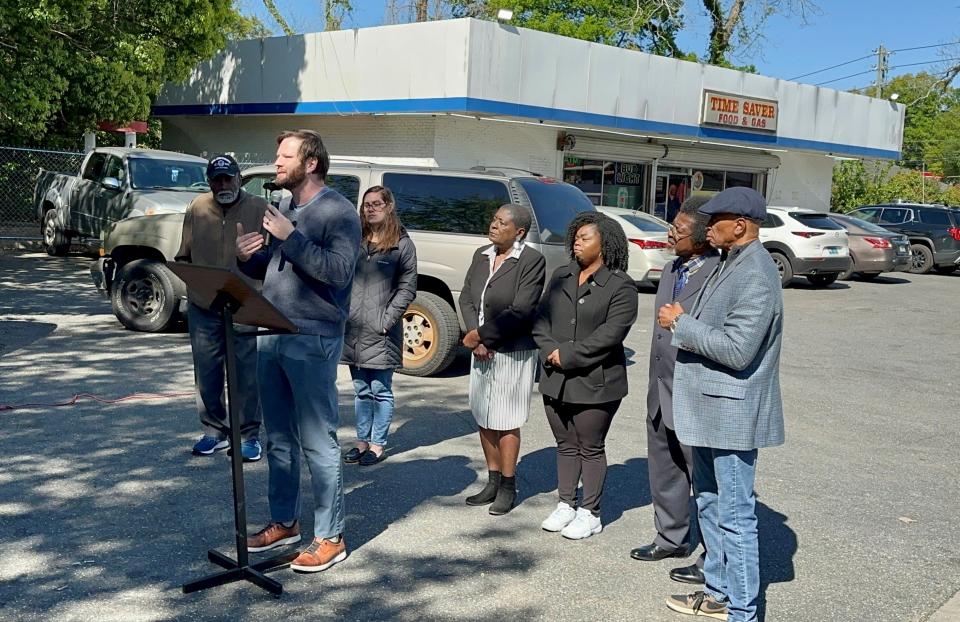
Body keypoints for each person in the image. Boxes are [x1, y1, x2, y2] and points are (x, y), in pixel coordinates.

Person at [235, 130, 361, 574]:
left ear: (311, 163)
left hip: (312, 338)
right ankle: (285, 521)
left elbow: (339, 272)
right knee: (279, 439)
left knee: (317, 440)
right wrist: (248, 255)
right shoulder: (286, 206)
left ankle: (331, 536)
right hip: (271, 330)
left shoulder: (339, 211)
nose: (276, 162)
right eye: (277, 154)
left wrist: (291, 238)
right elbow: (274, 265)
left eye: (285, 155)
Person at [658, 187, 785, 622]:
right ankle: (717, 593)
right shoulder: (730, 261)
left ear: (741, 225)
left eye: (715, 220)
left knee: (734, 515)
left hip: (731, 412)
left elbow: (737, 349)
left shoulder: (756, 273)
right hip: (709, 409)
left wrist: (681, 323)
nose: (706, 226)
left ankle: (743, 613)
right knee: (710, 505)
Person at [630, 195, 719, 586]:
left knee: (707, 482)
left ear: (701, 237)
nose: (670, 234)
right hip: (661, 387)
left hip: (694, 394)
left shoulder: (718, 274)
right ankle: (671, 538)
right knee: (665, 469)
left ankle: (714, 558)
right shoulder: (671, 269)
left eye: (679, 231)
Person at [533, 212, 638, 539]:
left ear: (604, 244)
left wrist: (568, 355)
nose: (576, 242)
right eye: (575, 237)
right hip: (555, 377)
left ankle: (590, 512)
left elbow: (611, 334)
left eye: (585, 238)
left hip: (596, 381)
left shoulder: (621, 286)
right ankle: (566, 503)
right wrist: (550, 349)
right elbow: (540, 319)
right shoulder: (562, 275)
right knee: (565, 443)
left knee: (589, 446)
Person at [175, 154, 266, 461]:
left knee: (246, 374)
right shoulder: (197, 208)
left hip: (245, 303)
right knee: (206, 371)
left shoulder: (259, 208)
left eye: (228, 178)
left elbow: (273, 260)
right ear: (210, 181)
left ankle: (249, 435)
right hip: (205, 304)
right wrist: (191, 291)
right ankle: (214, 431)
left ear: (239, 178)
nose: (223, 184)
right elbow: (183, 255)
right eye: (217, 179)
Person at [459, 204, 546, 516]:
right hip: (481, 347)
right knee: (484, 415)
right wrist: (473, 335)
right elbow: (467, 297)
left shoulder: (531, 261)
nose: (493, 225)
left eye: (501, 222)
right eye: (493, 219)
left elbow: (522, 310)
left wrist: (483, 337)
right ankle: (492, 480)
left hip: (511, 350)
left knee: (506, 419)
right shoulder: (482, 254)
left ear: (519, 231)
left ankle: (509, 485)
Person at [341, 186, 417, 467]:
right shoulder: (356, 239)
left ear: (389, 206)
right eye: (366, 205)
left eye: (376, 204)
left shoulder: (401, 243)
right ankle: (361, 442)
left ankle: (377, 445)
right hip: (353, 328)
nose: (370, 209)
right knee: (361, 388)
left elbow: (408, 288)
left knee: (380, 389)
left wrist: (387, 321)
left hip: (381, 329)